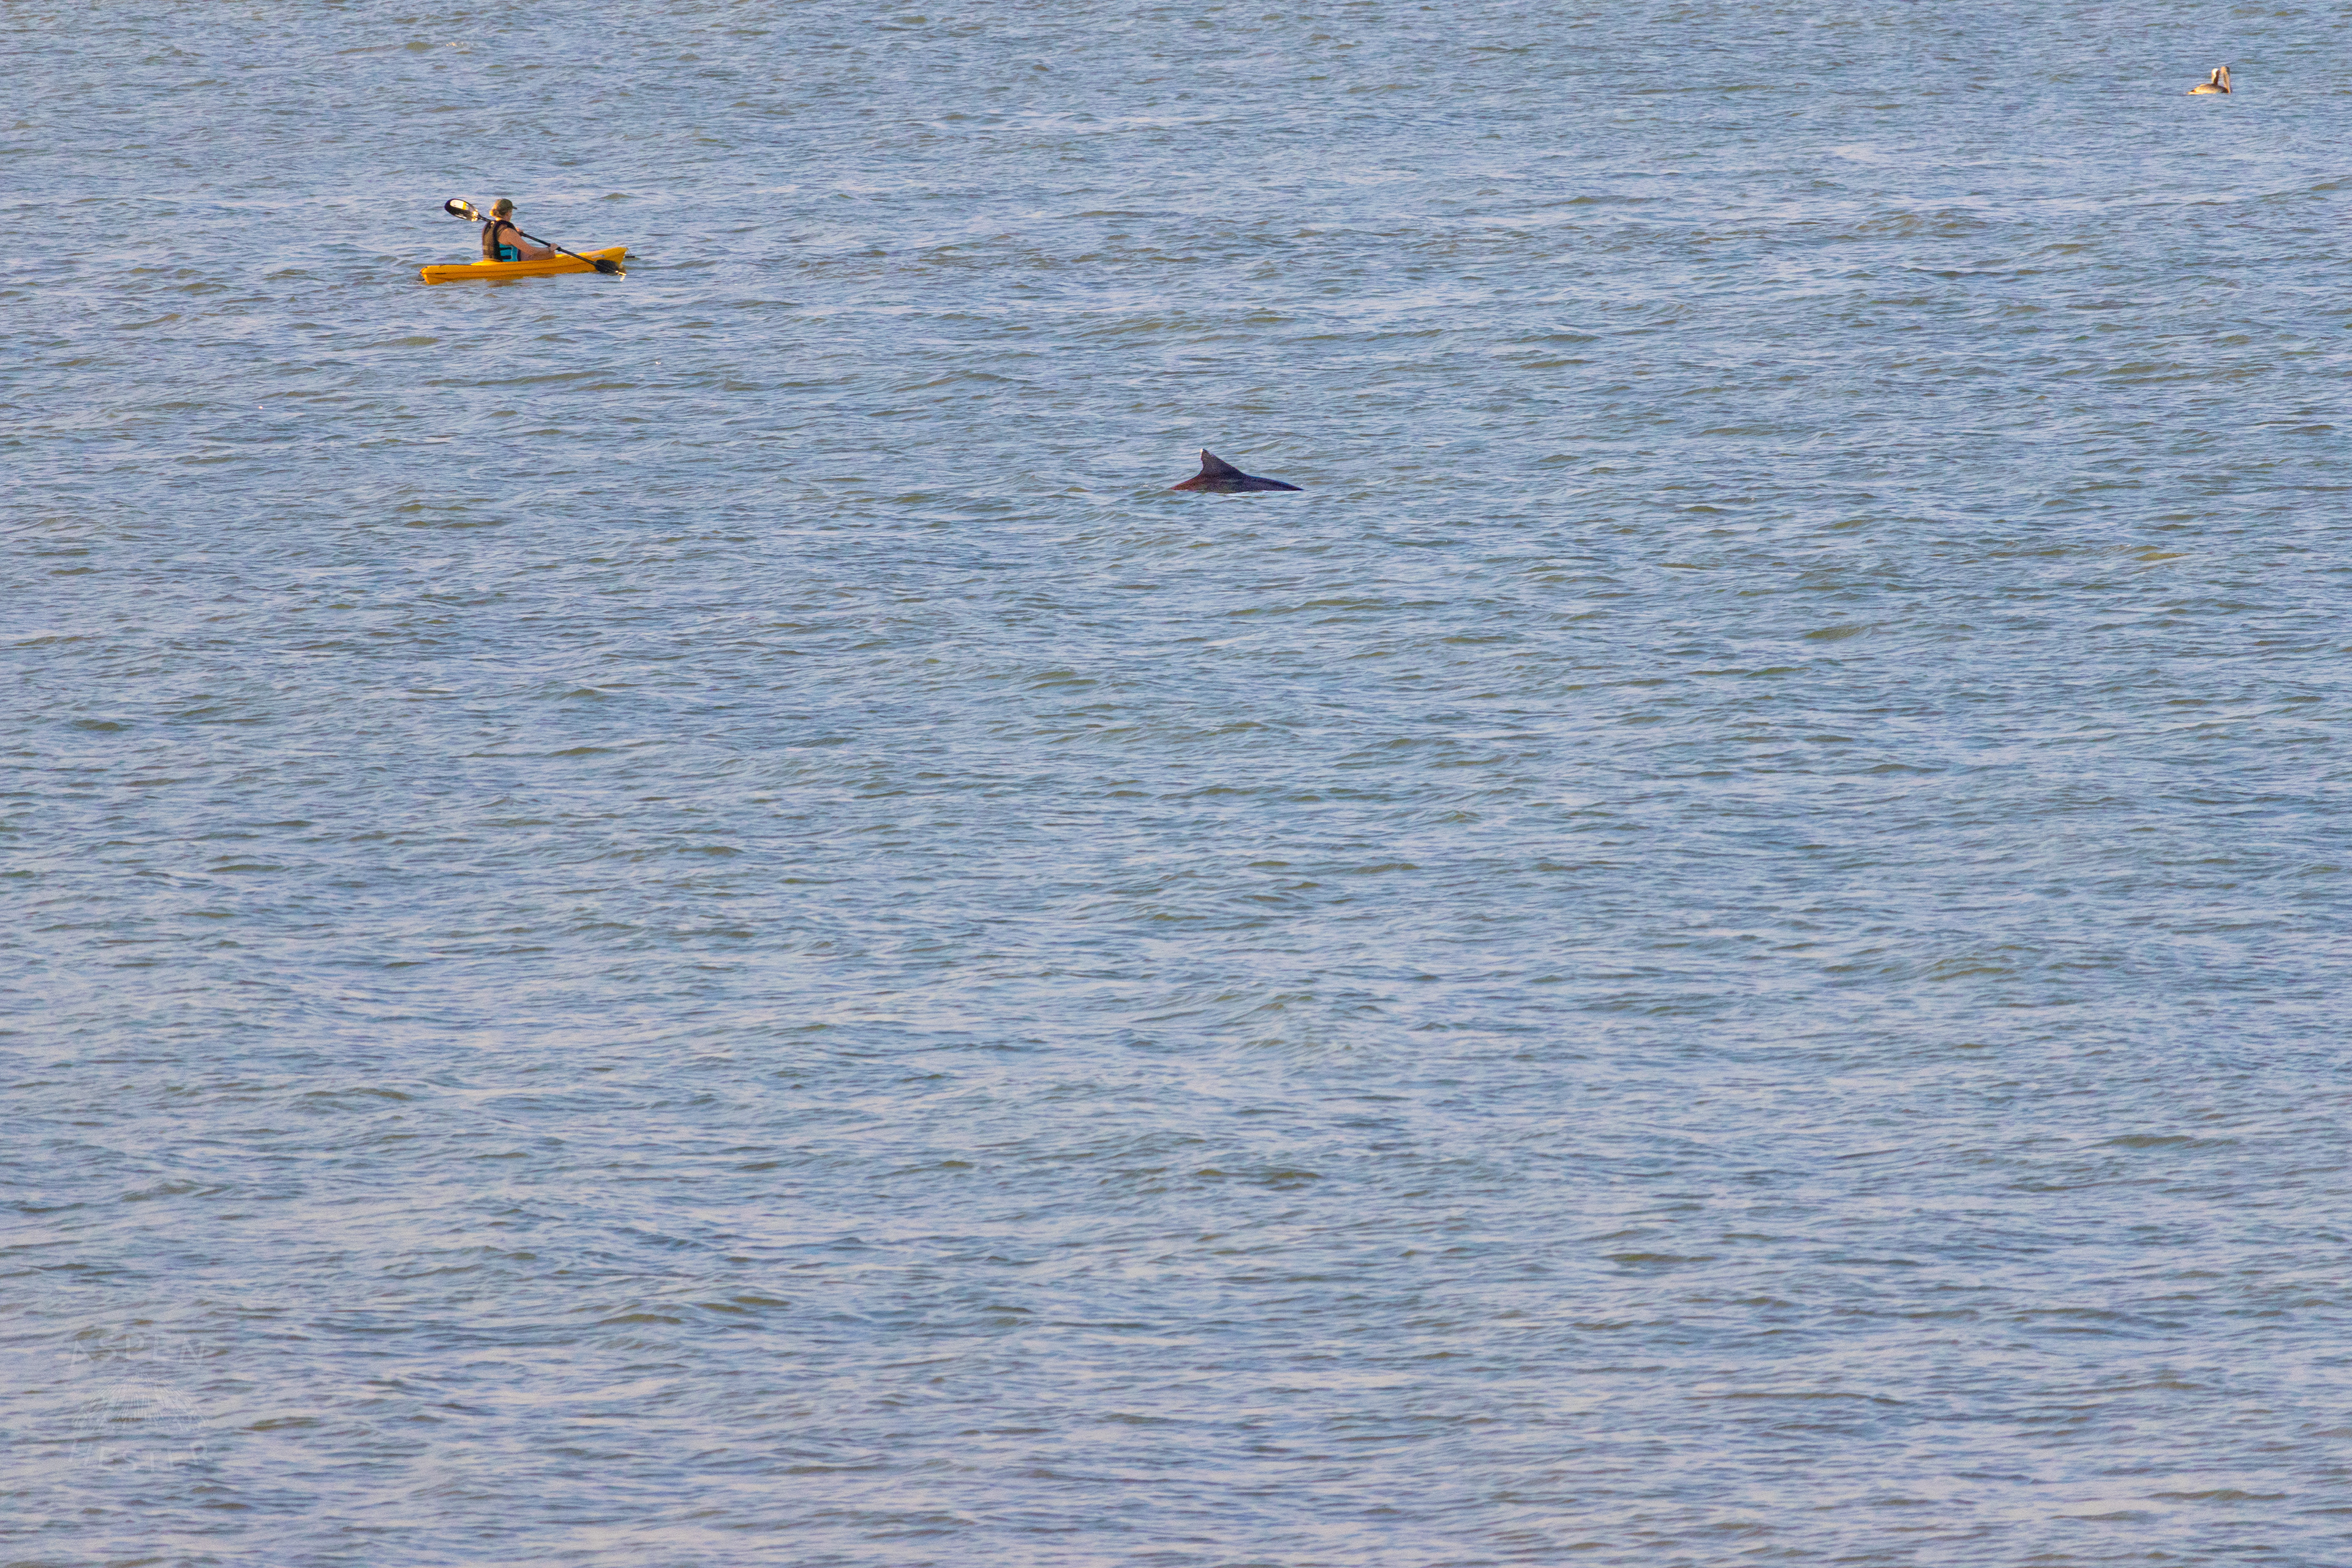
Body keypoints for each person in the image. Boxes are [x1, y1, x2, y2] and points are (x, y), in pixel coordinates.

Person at [480, 199, 554, 262]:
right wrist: (550, 249)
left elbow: (502, 240)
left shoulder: (489, 227)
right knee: (551, 254)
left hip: (492, 261)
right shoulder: (508, 232)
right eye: (511, 212)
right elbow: (532, 251)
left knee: (524, 253)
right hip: (507, 265)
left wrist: (516, 234)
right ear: (508, 213)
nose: (511, 215)